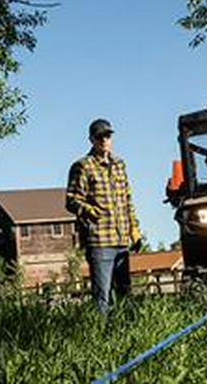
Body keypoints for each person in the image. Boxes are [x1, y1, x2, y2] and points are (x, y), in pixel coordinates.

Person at [66, 118, 141, 313]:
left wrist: (134, 228)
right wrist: (88, 210)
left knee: (125, 295)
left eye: (107, 136)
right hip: (100, 241)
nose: (104, 140)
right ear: (91, 139)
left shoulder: (119, 164)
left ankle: (129, 335)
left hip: (121, 240)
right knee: (102, 298)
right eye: (99, 136)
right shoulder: (83, 166)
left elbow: (127, 200)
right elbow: (71, 200)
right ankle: (102, 337)